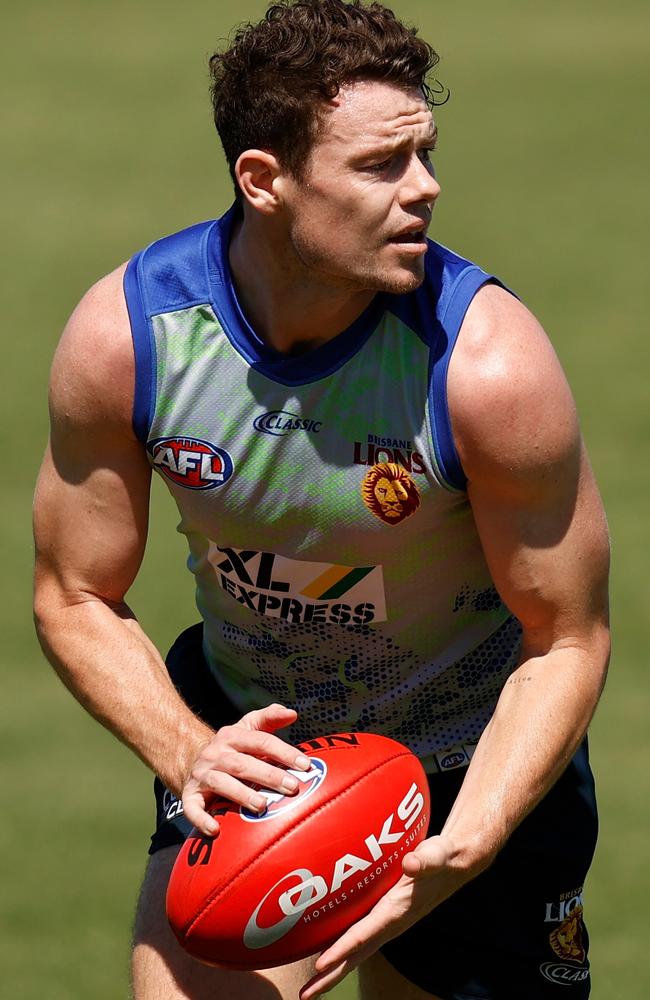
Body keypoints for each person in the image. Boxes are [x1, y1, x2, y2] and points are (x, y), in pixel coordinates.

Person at [33, 1, 610, 998]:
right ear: (264, 180)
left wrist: (469, 833)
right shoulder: (131, 338)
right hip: (257, 769)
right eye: (381, 164)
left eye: (425, 152)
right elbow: (74, 593)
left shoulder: (486, 367)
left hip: (468, 766)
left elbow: (563, 637)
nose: (424, 189)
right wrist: (189, 751)